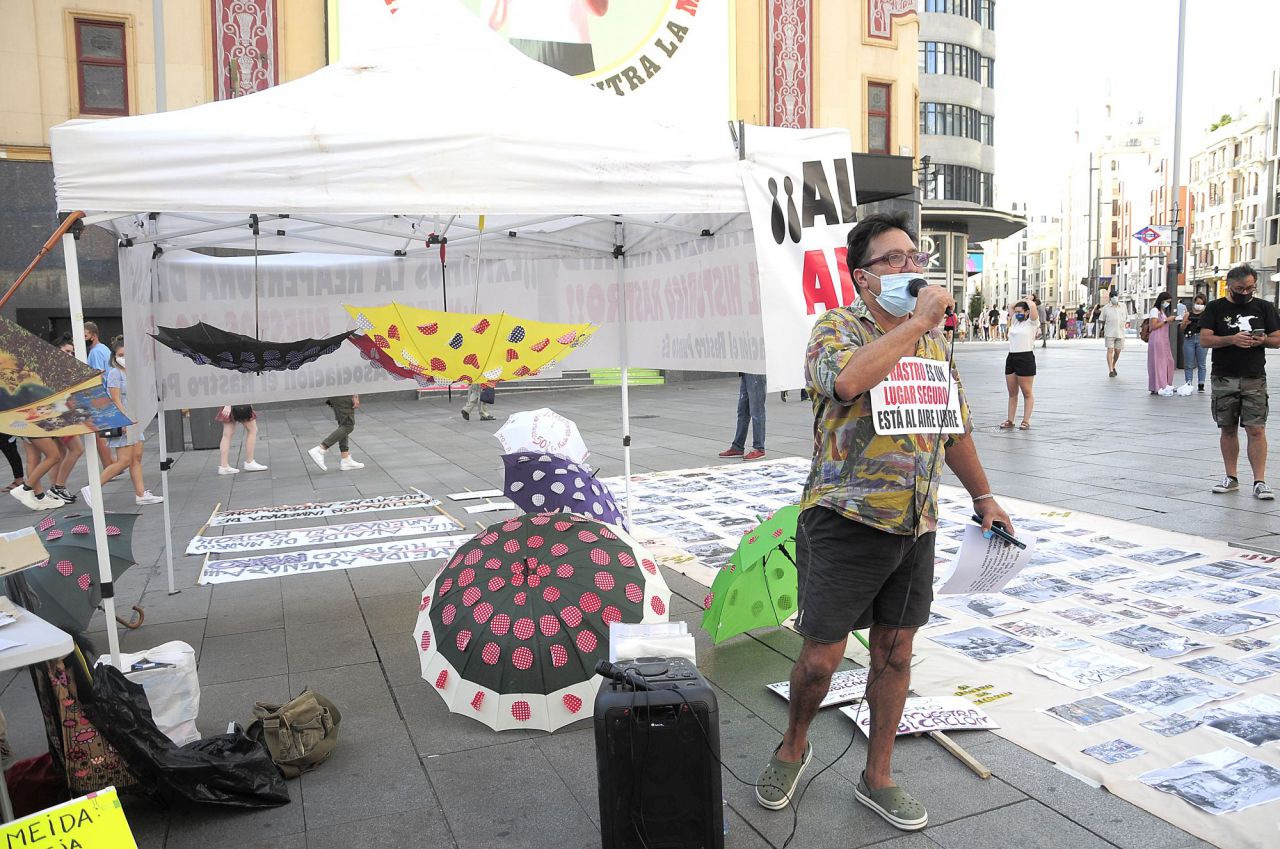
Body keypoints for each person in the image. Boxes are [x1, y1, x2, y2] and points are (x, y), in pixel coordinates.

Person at [754, 212, 1013, 832]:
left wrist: (984, 496)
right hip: (844, 518)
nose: (909, 268)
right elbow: (847, 383)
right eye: (893, 259)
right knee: (821, 658)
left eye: (914, 257)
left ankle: (878, 775)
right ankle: (793, 745)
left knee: (896, 654)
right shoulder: (836, 329)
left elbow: (954, 429)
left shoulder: (936, 345)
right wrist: (918, 323)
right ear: (862, 276)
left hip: (915, 524)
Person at [1200, 265, 1280, 500]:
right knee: (1227, 428)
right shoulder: (1215, 307)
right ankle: (1231, 477)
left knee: (1257, 429)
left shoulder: (1264, 307)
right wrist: (1232, 339)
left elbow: (1277, 339)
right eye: (1240, 289)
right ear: (1229, 286)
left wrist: (1262, 340)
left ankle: (1260, 481)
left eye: (1250, 288)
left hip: (1254, 377)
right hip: (1224, 376)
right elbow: (1205, 339)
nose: (1245, 292)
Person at [82, 337, 164, 506]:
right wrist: (124, 420)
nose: (123, 358)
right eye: (120, 355)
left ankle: (141, 494)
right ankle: (93, 487)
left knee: (136, 457)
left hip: (134, 419)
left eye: (126, 354)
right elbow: (115, 399)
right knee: (124, 460)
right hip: (123, 420)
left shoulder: (132, 373)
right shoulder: (115, 373)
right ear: (114, 356)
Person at [49, 337, 84, 503]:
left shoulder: (58, 368)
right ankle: (59, 486)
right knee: (77, 449)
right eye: (67, 351)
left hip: (59, 415)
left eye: (72, 352)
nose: (70, 355)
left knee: (60, 453)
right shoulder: (56, 369)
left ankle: (55, 488)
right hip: (60, 416)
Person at [1001, 299, 1039, 430]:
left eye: (1020, 312)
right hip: (1012, 357)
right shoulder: (1015, 322)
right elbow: (1010, 305)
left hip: (1025, 357)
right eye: (1016, 312)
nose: (1017, 314)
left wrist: (1027, 300)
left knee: (1027, 392)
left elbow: (1033, 306)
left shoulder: (1032, 322)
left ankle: (1026, 420)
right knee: (1012, 392)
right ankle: (1010, 420)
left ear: (1027, 312)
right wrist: (1020, 301)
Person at [83, 321, 114, 469]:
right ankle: (111, 463)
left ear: (93, 335)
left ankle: (108, 465)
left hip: (100, 397)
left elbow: (97, 375)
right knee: (104, 432)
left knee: (100, 434)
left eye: (85, 335)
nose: (82, 339)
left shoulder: (95, 352)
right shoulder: (104, 348)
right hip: (107, 394)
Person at [308, 395, 365, 471]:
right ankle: (321, 449)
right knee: (348, 426)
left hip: (336, 394)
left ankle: (346, 459)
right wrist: (355, 396)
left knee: (343, 424)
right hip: (343, 394)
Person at [719, 373, 766, 460]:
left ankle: (759, 448)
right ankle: (738, 446)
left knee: (757, 411)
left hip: (755, 372)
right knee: (743, 410)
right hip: (746, 372)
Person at [10, 437, 64, 511]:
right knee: (54, 456)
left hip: (26, 430)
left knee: (33, 459)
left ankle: (39, 496)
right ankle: (26, 488)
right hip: (36, 430)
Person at [215, 404, 268, 475]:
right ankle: (250, 462)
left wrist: (226, 404)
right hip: (238, 404)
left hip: (228, 405)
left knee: (227, 435)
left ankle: (224, 466)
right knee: (252, 430)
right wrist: (228, 404)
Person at [1146, 292, 1176, 394]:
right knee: (1158, 363)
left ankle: (1165, 383)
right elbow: (1154, 326)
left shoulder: (1162, 311)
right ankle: (1158, 385)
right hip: (1157, 339)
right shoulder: (1155, 311)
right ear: (1162, 301)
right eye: (1167, 301)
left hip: (1163, 339)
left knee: (1168, 361)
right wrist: (1166, 321)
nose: (1168, 304)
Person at [1181, 294, 1209, 391]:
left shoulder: (1206, 315)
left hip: (1201, 339)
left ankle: (1201, 384)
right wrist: (1185, 323)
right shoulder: (1188, 314)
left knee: (1202, 364)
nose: (1199, 305)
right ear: (1194, 303)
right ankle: (1188, 383)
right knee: (1188, 364)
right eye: (1198, 303)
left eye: (1201, 304)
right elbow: (1182, 328)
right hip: (1189, 339)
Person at [1101, 292, 1127, 377]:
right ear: (1110, 298)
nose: (1114, 297)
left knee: (1117, 351)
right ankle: (1111, 370)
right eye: (1112, 296)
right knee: (1110, 350)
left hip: (1120, 332)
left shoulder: (1123, 306)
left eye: (1115, 296)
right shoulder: (1106, 308)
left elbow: (1126, 317)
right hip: (1109, 332)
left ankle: (1113, 364)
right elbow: (1102, 319)